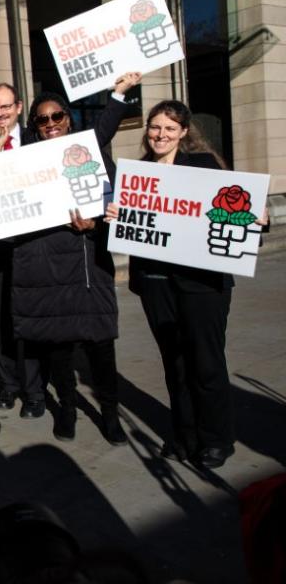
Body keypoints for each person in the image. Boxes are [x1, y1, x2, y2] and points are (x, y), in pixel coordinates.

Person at [105, 99, 267, 468]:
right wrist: (118, 213)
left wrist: (255, 219)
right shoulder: (138, 174)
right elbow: (134, 226)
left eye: (169, 128)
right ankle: (184, 433)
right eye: (155, 127)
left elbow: (232, 215)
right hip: (156, 282)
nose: (160, 134)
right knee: (174, 363)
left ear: (183, 132)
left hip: (202, 285)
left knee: (206, 363)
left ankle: (216, 440)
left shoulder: (204, 166)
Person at [0, 72, 141, 444]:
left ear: (68, 118)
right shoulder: (23, 162)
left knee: (100, 349)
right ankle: (68, 413)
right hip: (48, 271)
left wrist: (95, 223)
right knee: (58, 351)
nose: (50, 125)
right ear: (34, 125)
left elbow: (115, 205)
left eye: (56, 116)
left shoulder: (90, 152)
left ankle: (110, 415)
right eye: (42, 119)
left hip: (88, 267)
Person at [0, 83, 45, 418]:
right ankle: (9, 385)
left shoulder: (38, 143)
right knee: (0, 319)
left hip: (32, 248)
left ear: (18, 107)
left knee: (27, 318)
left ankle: (34, 391)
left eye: (5, 107)